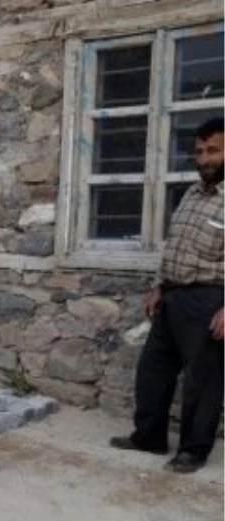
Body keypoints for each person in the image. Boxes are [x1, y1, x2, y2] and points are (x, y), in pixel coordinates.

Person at [110, 117, 225, 474]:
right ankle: (149, 436)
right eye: (199, 151)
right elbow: (176, 244)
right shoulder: (193, 193)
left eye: (214, 151)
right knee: (153, 369)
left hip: (210, 299)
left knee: (202, 382)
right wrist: (159, 285)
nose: (204, 158)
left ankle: (193, 451)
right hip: (173, 296)